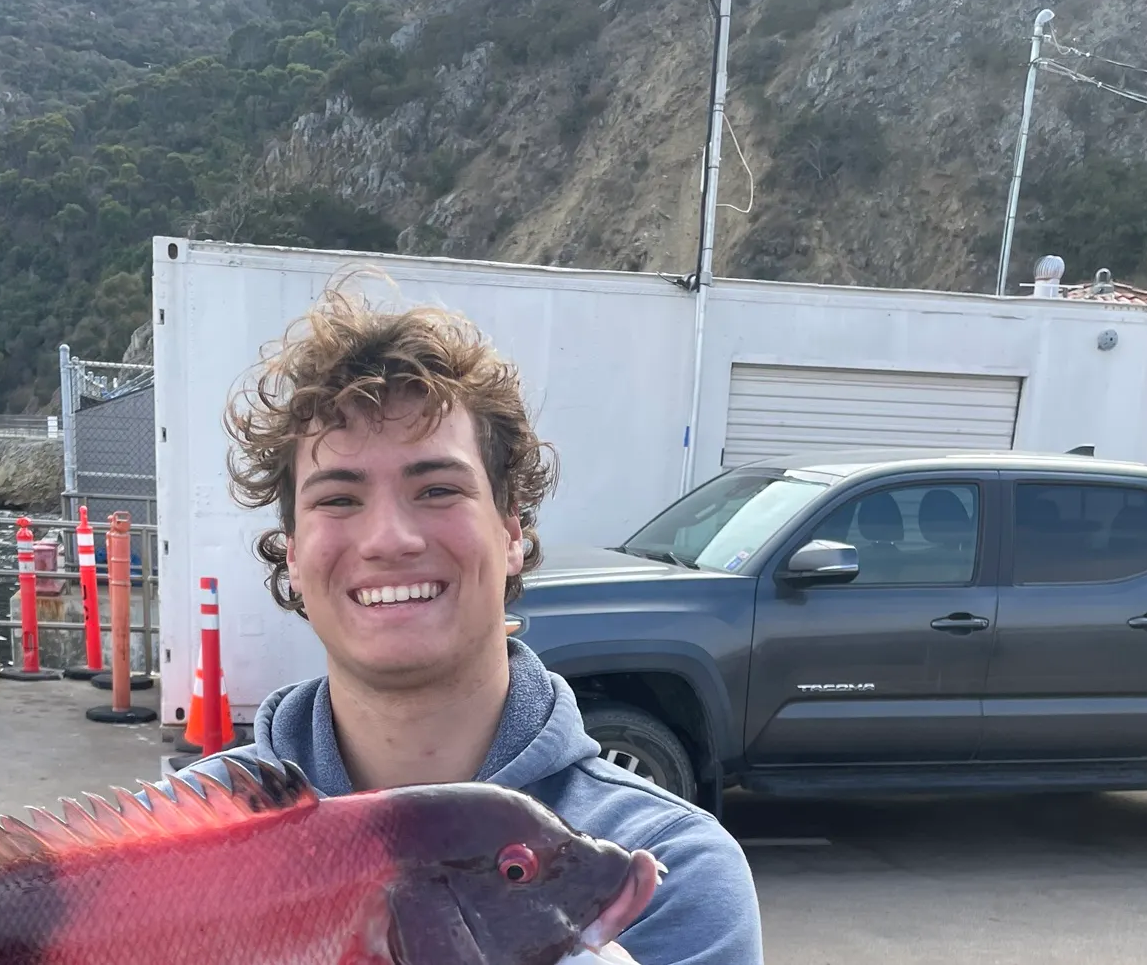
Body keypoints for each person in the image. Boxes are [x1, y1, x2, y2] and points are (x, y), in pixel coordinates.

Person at [173, 281, 764, 965]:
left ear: (512, 531)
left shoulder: (671, 871)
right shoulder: (177, 838)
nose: (388, 538)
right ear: (295, 554)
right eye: (339, 498)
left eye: (437, 490)